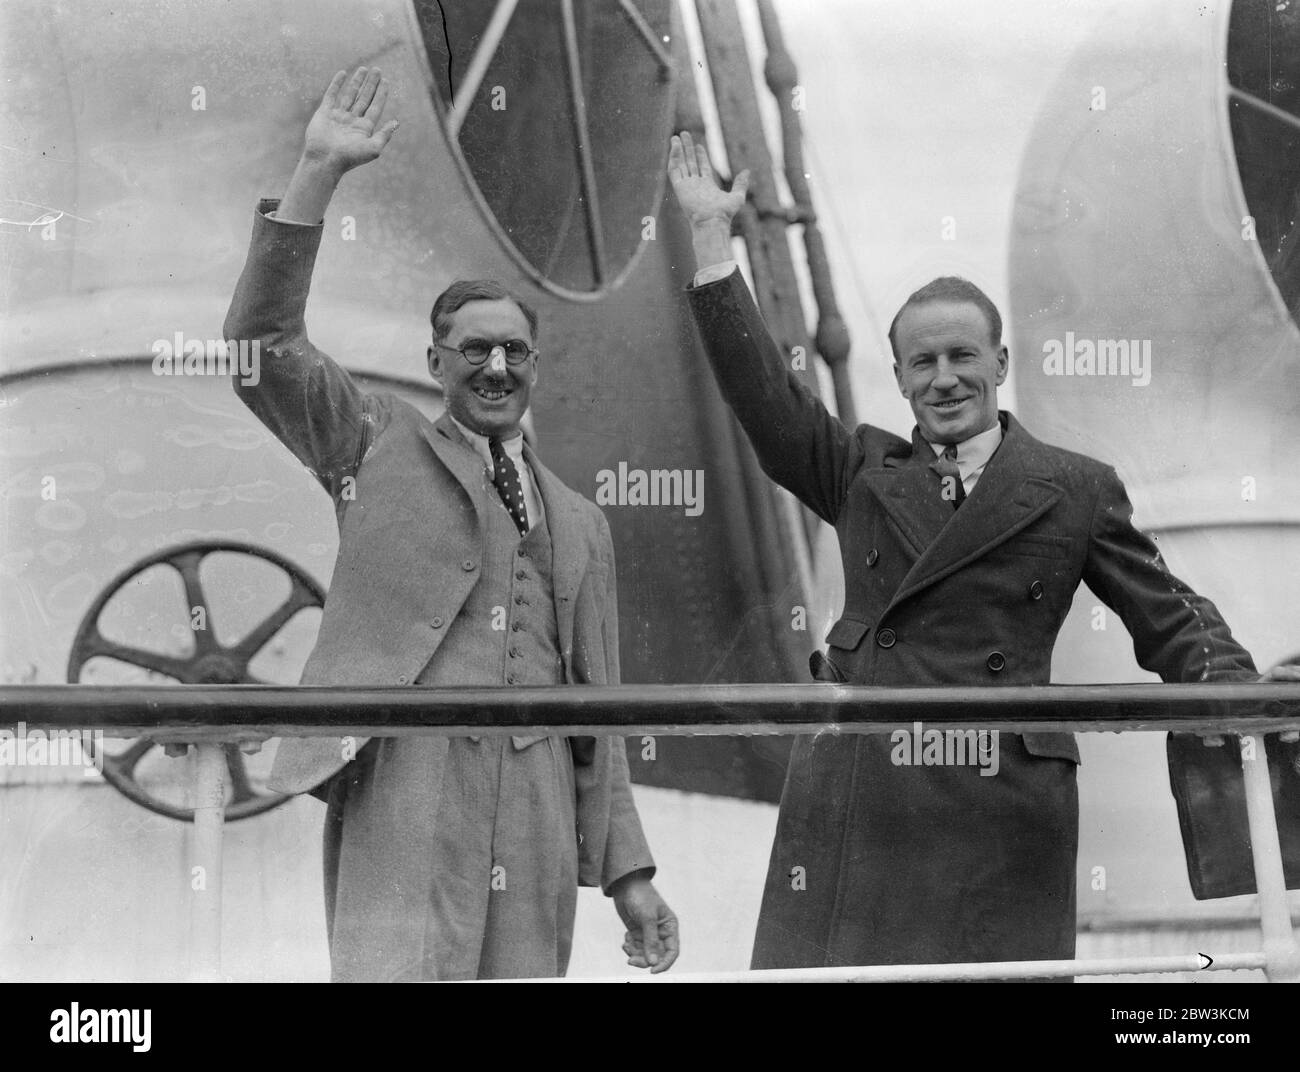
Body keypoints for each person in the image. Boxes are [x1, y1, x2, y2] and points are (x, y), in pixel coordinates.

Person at [666, 130, 1293, 973]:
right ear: (897, 378)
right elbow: (763, 396)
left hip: (1003, 800)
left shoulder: (1074, 486)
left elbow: (1169, 617)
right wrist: (710, 237)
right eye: (922, 362)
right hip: (870, 792)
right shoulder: (857, 470)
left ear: (1000, 361)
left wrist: (1241, 693)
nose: (945, 378)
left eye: (963, 355)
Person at [223, 67, 678, 981]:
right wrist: (319, 172)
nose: (497, 367)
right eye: (476, 349)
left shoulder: (583, 524)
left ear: (536, 365)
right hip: (407, 782)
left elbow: (603, 706)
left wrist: (630, 875)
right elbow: (258, 350)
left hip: (539, 800)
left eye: (515, 350)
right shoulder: (371, 445)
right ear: (437, 362)